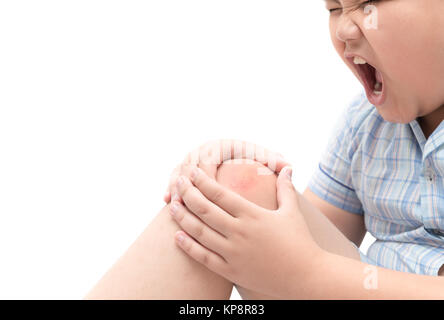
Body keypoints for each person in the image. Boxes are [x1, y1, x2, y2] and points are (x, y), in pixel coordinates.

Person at [85, 0, 444, 299]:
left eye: (369, 4)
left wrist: (312, 273)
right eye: (334, 8)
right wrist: (227, 174)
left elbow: (307, 265)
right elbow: (290, 237)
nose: (344, 30)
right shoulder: (364, 124)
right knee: (236, 193)